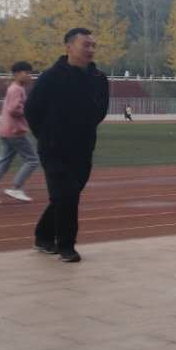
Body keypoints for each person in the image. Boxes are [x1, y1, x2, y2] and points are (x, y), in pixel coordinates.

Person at [24, 28, 110, 262]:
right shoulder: (51, 77)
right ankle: (66, 246)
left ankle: (43, 236)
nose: (90, 49)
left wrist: (85, 128)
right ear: (69, 47)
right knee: (67, 196)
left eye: (93, 45)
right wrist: (46, 136)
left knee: (65, 195)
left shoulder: (99, 79)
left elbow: (101, 110)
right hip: (53, 148)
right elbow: (32, 110)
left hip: (83, 148)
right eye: (86, 45)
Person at [0, 61, 41, 205]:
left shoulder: (14, 88)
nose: (29, 76)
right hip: (15, 131)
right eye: (27, 73)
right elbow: (14, 109)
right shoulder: (17, 89)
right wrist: (29, 111)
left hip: (6, 131)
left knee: (3, 163)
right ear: (17, 74)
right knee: (32, 160)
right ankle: (16, 187)